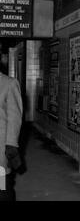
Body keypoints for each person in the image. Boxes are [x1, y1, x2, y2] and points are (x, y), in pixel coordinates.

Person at [0, 71, 23, 201]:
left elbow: (14, 119)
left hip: (0, 150)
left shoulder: (9, 83)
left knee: (2, 189)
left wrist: (11, 146)